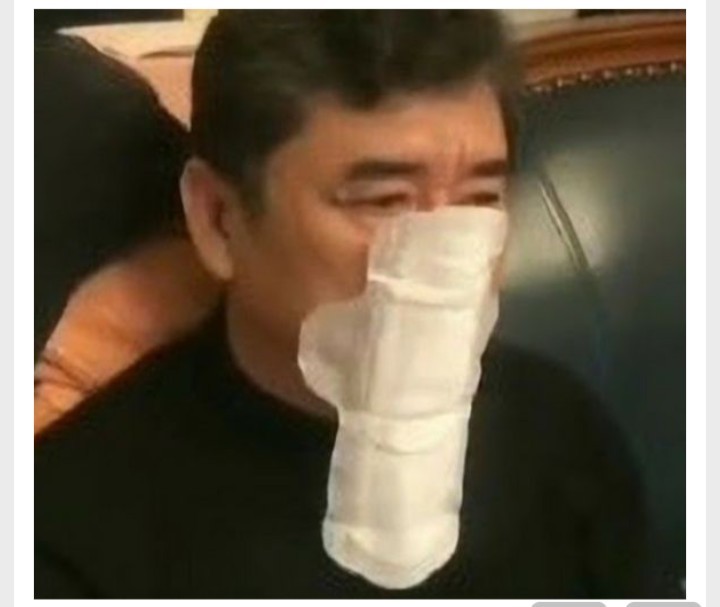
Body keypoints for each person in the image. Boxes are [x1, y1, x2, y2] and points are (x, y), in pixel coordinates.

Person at [35, 10, 658, 598]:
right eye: (384, 201)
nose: (445, 256)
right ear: (219, 219)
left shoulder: (558, 431)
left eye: (478, 199)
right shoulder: (68, 528)